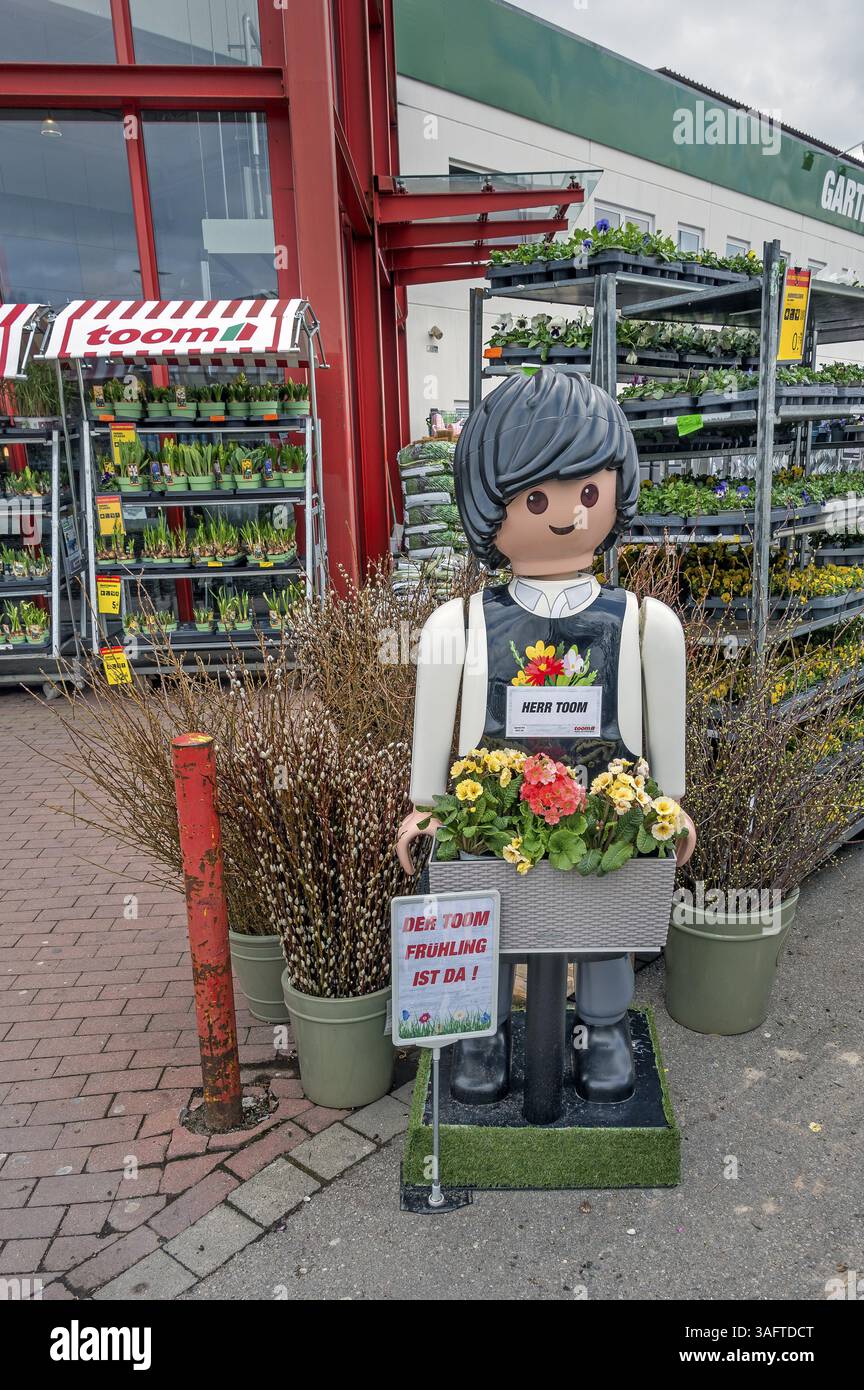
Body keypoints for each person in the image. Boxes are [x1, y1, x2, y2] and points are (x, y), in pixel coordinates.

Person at [397, 368, 695, 1108]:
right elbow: (434, 730)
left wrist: (675, 802)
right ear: (489, 506)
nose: (565, 515)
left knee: (604, 917)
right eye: (537, 499)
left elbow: (666, 743)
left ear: (616, 492)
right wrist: (427, 804)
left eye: (587, 493)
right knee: (484, 913)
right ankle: (482, 1029)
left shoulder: (647, 624)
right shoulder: (455, 627)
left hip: (605, 807)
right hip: (487, 811)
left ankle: (603, 1028)